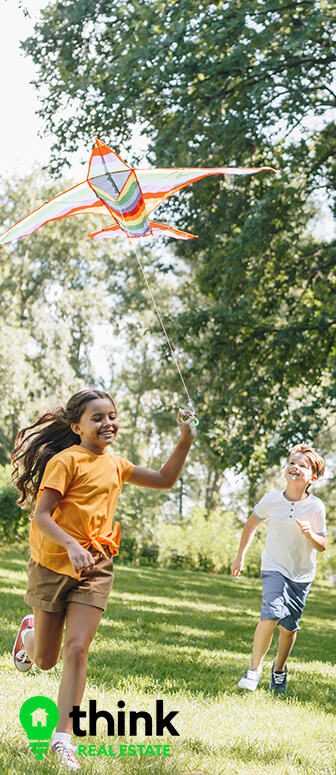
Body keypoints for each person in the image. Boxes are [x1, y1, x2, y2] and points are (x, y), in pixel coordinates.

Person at [11, 388, 197, 770]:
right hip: (52, 563)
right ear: (76, 426)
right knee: (46, 660)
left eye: (111, 415)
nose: (108, 423)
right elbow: (42, 516)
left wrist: (185, 440)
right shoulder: (65, 461)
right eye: (97, 418)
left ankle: (64, 738)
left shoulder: (117, 464)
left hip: (96, 564)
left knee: (77, 648)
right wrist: (70, 545)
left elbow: (164, 479)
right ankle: (29, 635)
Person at [230, 444, 327, 694]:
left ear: (312, 478)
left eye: (302, 465)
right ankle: (253, 671)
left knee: (288, 627)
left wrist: (310, 534)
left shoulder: (316, 507)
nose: (295, 466)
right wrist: (240, 557)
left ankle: (279, 669)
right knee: (271, 614)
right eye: (292, 462)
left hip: (301, 575)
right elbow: (251, 525)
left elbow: (323, 545)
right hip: (273, 567)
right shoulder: (271, 500)